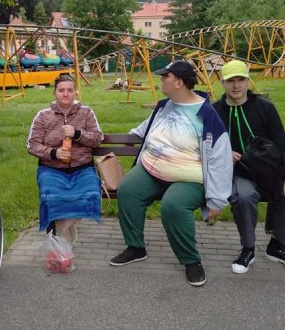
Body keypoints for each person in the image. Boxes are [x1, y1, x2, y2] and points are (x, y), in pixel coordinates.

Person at [109, 60, 233, 287]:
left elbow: (221, 159)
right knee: (128, 190)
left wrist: (217, 199)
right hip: (151, 169)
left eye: (165, 76)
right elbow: (148, 126)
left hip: (189, 178)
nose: (161, 80)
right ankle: (135, 248)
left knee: (173, 206)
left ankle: (191, 261)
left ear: (179, 82)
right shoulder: (164, 105)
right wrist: (133, 135)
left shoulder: (207, 115)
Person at [213, 59, 285, 273]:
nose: (236, 86)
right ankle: (248, 249)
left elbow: (281, 143)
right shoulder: (215, 111)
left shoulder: (265, 108)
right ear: (222, 83)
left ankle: (277, 245)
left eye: (241, 80)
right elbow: (206, 144)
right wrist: (224, 153)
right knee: (244, 196)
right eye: (230, 81)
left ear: (248, 81)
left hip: (269, 169)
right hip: (240, 173)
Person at [27, 74, 103, 244]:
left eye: (70, 90)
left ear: (76, 92)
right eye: (61, 90)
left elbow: (97, 139)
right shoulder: (43, 115)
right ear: (55, 92)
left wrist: (77, 134)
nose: (66, 94)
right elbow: (32, 145)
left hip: (82, 168)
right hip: (51, 169)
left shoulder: (86, 112)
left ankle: (64, 226)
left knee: (91, 194)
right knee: (50, 195)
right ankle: (62, 238)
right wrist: (54, 153)